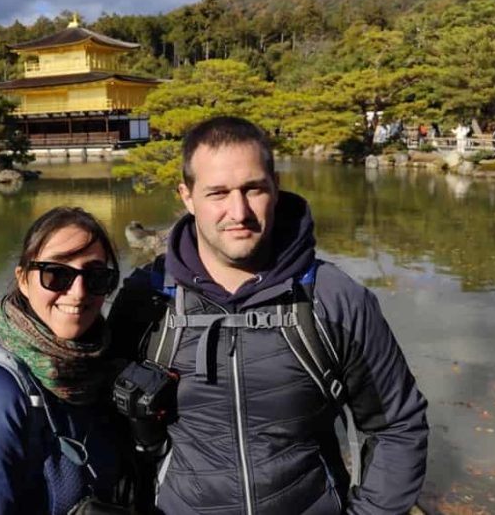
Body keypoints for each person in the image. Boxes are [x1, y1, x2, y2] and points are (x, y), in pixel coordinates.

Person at [111, 117, 428, 514]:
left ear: (276, 187)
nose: (238, 210)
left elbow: (397, 426)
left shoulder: (331, 298)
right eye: (218, 193)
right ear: (187, 197)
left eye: (253, 189)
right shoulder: (150, 298)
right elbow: (103, 415)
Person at [0, 207, 138, 515]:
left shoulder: (100, 366)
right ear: (24, 280)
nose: (78, 292)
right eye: (56, 274)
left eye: (96, 276)